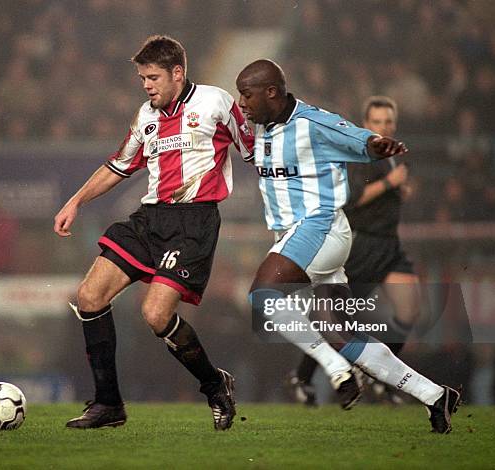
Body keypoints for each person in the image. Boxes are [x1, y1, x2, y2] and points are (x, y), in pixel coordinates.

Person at [236, 59, 461, 433]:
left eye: (247, 95)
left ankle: (339, 372)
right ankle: (435, 396)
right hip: (303, 237)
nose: (242, 103)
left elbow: (356, 137)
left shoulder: (311, 122)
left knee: (263, 296)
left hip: (318, 228)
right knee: (339, 333)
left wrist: (376, 144)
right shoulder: (261, 127)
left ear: (271, 92)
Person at [54, 36, 254, 431]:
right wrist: (75, 201)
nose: (146, 85)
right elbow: (119, 165)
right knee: (89, 296)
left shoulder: (215, 102)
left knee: (155, 314)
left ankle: (214, 385)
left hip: (194, 222)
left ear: (177, 73)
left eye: (153, 77)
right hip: (150, 218)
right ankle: (108, 404)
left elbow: (254, 149)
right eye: (143, 78)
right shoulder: (146, 115)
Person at [291, 96, 420, 405]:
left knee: (410, 308)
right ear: (366, 125)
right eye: (377, 122)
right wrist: (391, 183)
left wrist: (398, 189)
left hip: (389, 244)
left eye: (388, 122)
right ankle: (302, 377)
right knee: (334, 318)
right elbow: (350, 198)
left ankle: (380, 376)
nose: (384, 127)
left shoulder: (389, 155)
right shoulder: (360, 154)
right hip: (362, 246)